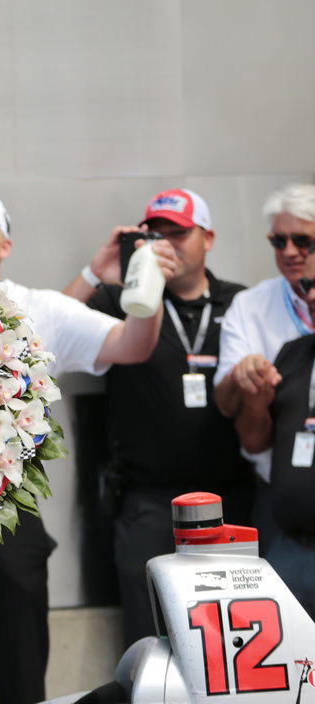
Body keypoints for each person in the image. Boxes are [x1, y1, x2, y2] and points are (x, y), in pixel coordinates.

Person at [0, 187, 173, 704]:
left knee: (22, 685)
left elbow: (132, 345)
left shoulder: (37, 308)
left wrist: (148, 282)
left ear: (6, 245)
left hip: (8, 523)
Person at [64, 188, 252, 648]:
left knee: (226, 641)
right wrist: (98, 271)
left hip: (230, 502)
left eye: (179, 232)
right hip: (148, 504)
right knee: (150, 641)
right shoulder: (127, 299)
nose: (166, 242)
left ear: (207, 237)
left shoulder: (240, 302)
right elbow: (49, 328)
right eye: (157, 233)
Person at [212, 183, 315, 552]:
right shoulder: (251, 305)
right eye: (278, 241)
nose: (289, 252)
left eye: (302, 241)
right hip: (281, 496)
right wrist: (243, 378)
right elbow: (226, 405)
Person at [234, 259, 315, 619]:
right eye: (306, 285)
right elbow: (255, 443)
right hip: (290, 547)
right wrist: (255, 403)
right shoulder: (292, 353)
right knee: (290, 672)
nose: (309, 295)